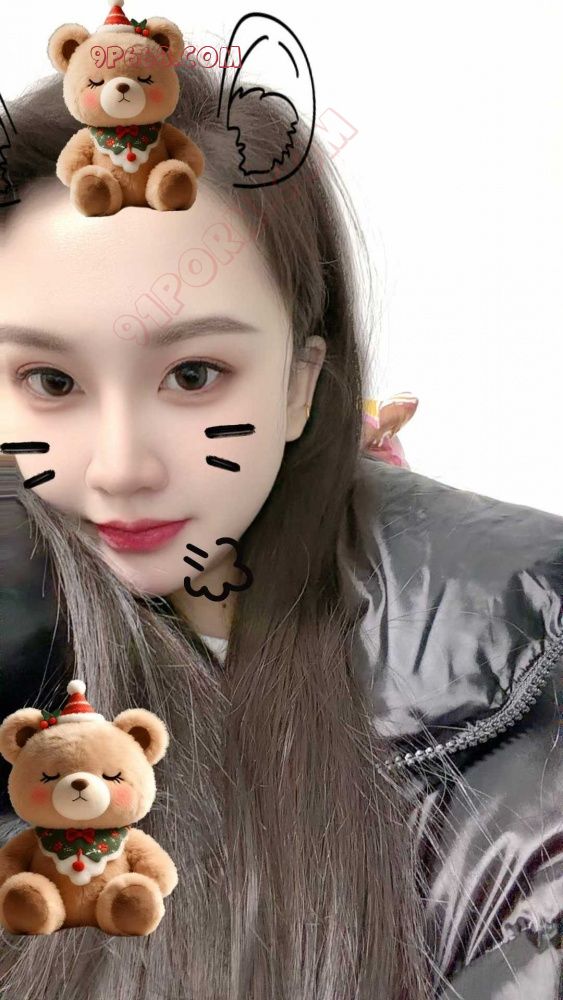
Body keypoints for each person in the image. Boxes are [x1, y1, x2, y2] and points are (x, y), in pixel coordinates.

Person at [0, 60, 561, 1000]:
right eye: (50, 382)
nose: (118, 468)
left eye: (193, 376)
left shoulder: (514, 690)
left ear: (301, 381)